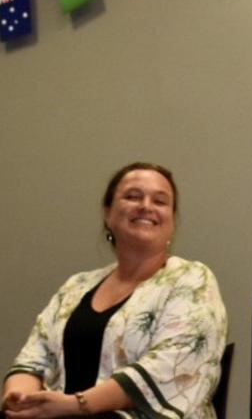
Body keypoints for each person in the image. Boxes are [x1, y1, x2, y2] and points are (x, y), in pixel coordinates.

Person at [3, 162, 227, 419]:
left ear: (172, 221)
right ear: (108, 214)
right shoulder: (76, 286)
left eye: (160, 201)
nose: (146, 205)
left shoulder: (192, 279)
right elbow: (34, 358)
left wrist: (75, 405)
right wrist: (20, 399)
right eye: (133, 196)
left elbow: (169, 367)